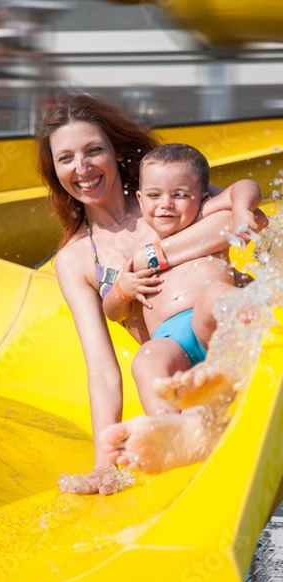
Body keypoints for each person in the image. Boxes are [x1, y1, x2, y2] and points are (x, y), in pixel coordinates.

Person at [37, 94, 267, 495]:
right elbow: (102, 370)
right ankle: (172, 427)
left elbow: (240, 219)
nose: (83, 168)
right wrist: (102, 464)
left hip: (234, 335)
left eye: (94, 151)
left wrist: (152, 255)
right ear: (54, 170)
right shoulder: (75, 260)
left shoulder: (166, 193)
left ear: (117, 152)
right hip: (178, 364)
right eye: (66, 158)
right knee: (145, 364)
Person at [100, 144, 262, 473]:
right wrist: (122, 289)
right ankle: (172, 427)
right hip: (171, 340)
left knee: (217, 293)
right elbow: (112, 312)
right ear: (141, 199)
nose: (166, 205)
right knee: (146, 360)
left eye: (180, 195)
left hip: (213, 325)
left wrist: (243, 209)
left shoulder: (203, 216)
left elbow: (245, 186)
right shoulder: (132, 249)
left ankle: (247, 331)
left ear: (202, 197)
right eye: (155, 195)